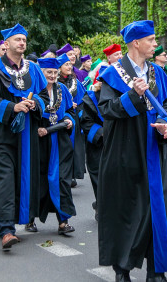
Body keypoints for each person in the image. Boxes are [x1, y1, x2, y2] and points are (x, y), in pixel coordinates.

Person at [98, 20, 167, 282]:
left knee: (159, 210)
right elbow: (107, 110)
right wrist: (133, 95)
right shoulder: (112, 74)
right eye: (151, 40)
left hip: (154, 153)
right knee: (125, 212)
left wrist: (166, 127)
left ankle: (156, 270)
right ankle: (121, 269)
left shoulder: (159, 74)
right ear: (136, 42)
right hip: (124, 153)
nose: (156, 45)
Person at [0, 24, 46, 250]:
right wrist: (12, 107)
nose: (22, 43)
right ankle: (6, 229)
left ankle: (23, 217)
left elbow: (44, 95)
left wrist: (35, 103)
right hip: (0, 135)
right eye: (17, 39)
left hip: (26, 136)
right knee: (4, 180)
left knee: (23, 178)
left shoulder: (34, 69)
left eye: (24, 40)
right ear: (6, 44)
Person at [28, 57, 76, 235]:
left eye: (55, 73)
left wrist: (70, 121)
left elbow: (71, 111)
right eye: (49, 72)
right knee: (38, 180)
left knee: (62, 180)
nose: (53, 75)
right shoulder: (34, 90)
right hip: (39, 142)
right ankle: (30, 219)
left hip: (60, 141)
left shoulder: (62, 89)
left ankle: (63, 221)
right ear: (41, 72)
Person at [80, 66, 106, 221]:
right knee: (98, 176)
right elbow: (86, 122)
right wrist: (103, 133)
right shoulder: (90, 98)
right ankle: (101, 207)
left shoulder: (120, 96)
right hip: (98, 144)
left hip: (117, 143)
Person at [59, 53, 87, 186]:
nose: (70, 66)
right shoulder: (55, 83)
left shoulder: (75, 82)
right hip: (60, 118)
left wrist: (77, 106)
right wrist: (67, 105)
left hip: (74, 118)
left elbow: (83, 100)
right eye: (66, 64)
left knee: (73, 147)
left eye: (70, 64)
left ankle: (71, 175)